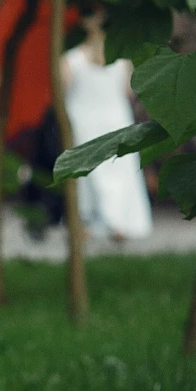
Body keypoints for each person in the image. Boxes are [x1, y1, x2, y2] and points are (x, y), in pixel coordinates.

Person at [62, 19, 153, 242]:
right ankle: (119, 221)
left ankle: (90, 221)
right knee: (120, 171)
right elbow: (129, 91)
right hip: (116, 120)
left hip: (82, 120)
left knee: (88, 173)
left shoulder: (71, 59)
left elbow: (61, 90)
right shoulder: (121, 61)